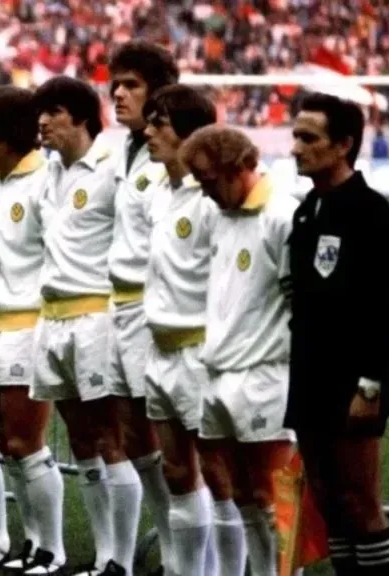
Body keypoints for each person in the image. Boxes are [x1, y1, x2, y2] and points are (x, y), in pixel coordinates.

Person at [180, 126, 298, 576]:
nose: (206, 192)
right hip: (218, 371)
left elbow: (298, 304)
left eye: (210, 180)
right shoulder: (221, 217)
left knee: (272, 498)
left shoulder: (281, 217)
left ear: (238, 167)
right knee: (242, 495)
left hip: (266, 374)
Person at [286, 93, 389, 575]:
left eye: (308, 138)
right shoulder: (307, 209)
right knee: (327, 500)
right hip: (308, 375)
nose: (295, 147)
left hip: (353, 381)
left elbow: (382, 306)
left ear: (343, 145)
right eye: (294, 135)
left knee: (359, 501)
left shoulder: (371, 212)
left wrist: (370, 384)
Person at [0, 86, 68, 574]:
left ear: (7, 131)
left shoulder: (43, 183)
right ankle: (29, 544)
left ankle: (51, 549)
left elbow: (57, 254)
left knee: (27, 443)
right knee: (8, 444)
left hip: (23, 325)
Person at [30, 76, 119, 576]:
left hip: (95, 318)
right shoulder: (49, 174)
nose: (42, 121)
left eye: (55, 111)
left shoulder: (110, 170)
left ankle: (119, 560)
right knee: (82, 444)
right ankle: (103, 551)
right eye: (41, 112)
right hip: (54, 318)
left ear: (82, 118)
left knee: (111, 440)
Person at [103, 40, 179, 575]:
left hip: (161, 313)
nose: (118, 95)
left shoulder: (176, 148)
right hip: (120, 307)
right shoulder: (123, 150)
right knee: (134, 438)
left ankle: (207, 557)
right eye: (114, 86)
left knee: (183, 445)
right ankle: (173, 541)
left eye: (130, 84)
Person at [141, 85, 219, 576]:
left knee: (221, 476)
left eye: (160, 124)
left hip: (201, 353)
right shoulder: (159, 195)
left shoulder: (211, 200)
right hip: (160, 350)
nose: (148, 132)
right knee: (176, 473)